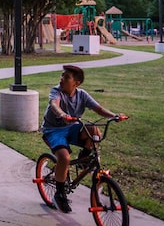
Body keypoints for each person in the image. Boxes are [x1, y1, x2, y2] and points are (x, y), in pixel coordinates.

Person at [41, 65, 127, 213]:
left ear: (77, 83)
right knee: (64, 158)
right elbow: (54, 105)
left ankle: (84, 157)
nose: (61, 79)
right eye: (62, 76)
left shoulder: (82, 95)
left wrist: (114, 116)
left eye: (66, 77)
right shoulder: (57, 91)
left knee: (94, 130)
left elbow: (98, 109)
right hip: (53, 130)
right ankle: (60, 194)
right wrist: (63, 115)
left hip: (72, 127)